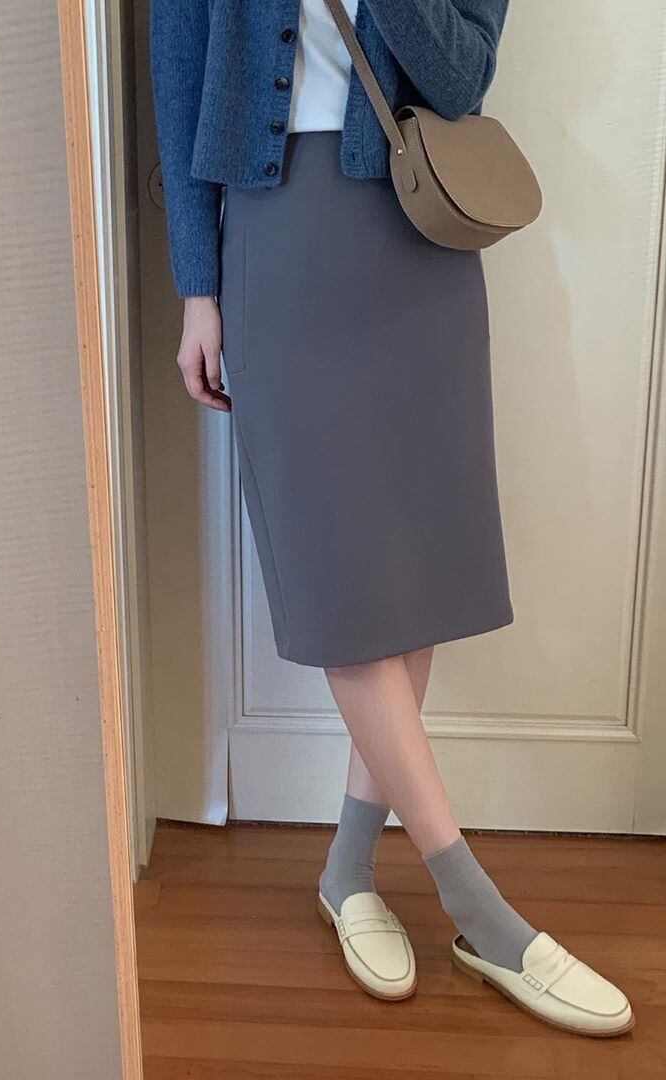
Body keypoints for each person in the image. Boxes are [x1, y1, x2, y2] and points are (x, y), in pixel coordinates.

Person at [151, 0, 634, 1036]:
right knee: (345, 594)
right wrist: (198, 288)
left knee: (406, 587)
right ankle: (479, 910)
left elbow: (461, 78)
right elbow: (180, 75)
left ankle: (348, 869)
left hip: (419, 235)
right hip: (275, 238)